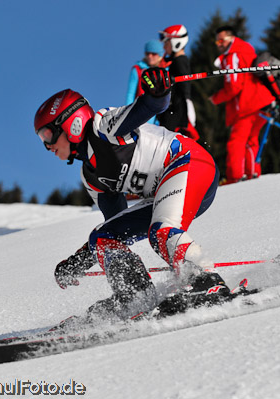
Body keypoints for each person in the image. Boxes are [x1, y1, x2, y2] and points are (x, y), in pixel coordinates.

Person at [33, 68, 230, 321]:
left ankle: (205, 281)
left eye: (47, 134)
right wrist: (78, 261)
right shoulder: (91, 177)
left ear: (72, 123)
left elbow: (151, 105)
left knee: (161, 231)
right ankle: (136, 296)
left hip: (190, 163)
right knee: (103, 237)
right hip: (166, 191)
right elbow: (116, 228)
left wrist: (158, 89)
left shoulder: (103, 127)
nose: (47, 145)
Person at [209, 26, 276, 183]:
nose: (218, 44)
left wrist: (216, 98)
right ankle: (252, 173)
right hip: (262, 102)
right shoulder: (246, 48)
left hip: (247, 105)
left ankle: (235, 177)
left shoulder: (231, 56)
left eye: (221, 40)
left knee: (236, 142)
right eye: (216, 41)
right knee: (251, 140)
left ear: (231, 39)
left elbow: (233, 86)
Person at [157, 24, 199, 141]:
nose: (164, 47)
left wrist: (187, 100)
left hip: (176, 110)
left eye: (166, 43)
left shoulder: (180, 61)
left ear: (176, 42)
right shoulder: (172, 61)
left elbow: (185, 84)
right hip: (170, 109)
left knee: (167, 141)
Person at [125, 40, 164, 125]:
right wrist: (127, 114)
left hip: (157, 119)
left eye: (154, 54)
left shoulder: (164, 72)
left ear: (160, 55)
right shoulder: (138, 70)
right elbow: (130, 94)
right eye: (147, 53)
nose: (150, 56)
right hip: (139, 114)